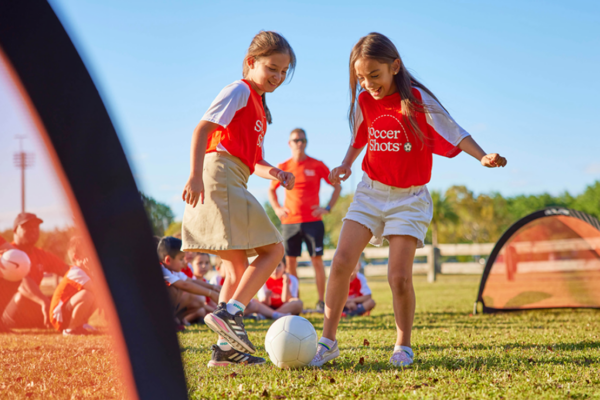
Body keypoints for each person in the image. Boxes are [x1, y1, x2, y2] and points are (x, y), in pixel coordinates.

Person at [310, 32, 507, 368]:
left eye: (375, 75)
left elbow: (454, 130)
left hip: (409, 198)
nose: (369, 84)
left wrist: (482, 156)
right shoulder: (364, 101)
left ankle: (403, 345)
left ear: (394, 67)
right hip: (370, 192)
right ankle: (327, 341)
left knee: (398, 277)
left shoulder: (416, 99)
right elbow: (360, 137)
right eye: (361, 77)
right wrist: (345, 163)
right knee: (341, 261)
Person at [181, 31, 296, 367]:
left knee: (235, 268)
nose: (277, 77)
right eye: (272, 68)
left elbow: (251, 160)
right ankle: (231, 312)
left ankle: (225, 351)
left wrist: (275, 172)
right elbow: (201, 130)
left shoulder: (259, 105)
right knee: (274, 249)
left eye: (283, 72)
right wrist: (194, 175)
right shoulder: (239, 89)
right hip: (220, 176)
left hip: (236, 176)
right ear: (251, 63)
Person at [268, 128, 341, 311]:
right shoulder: (283, 166)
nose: (300, 143)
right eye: (296, 140)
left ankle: (321, 302)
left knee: (317, 260)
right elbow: (271, 190)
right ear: (289, 143)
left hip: (313, 221)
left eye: (303, 140)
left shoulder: (317, 165)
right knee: (290, 262)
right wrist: (277, 209)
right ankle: (296, 301)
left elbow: (337, 186)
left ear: (306, 142)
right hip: (290, 222)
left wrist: (327, 208)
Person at [2, 213, 69, 329]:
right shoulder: (9, 255)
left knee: (67, 299)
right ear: (15, 230)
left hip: (34, 306)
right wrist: (44, 301)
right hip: (9, 309)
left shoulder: (41, 254)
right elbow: (21, 282)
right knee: (22, 298)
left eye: (35, 227)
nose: (32, 230)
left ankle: (66, 321)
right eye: (27, 226)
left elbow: (68, 271)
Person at [158, 237, 219, 325]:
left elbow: (190, 281)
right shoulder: (161, 269)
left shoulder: (174, 270)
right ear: (168, 260)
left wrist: (213, 287)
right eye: (181, 259)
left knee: (198, 299)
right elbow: (185, 285)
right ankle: (165, 321)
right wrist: (210, 293)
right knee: (175, 289)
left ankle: (175, 321)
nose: (184, 261)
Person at [49, 236, 97, 335]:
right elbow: (96, 289)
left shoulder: (84, 271)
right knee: (88, 295)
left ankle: (80, 324)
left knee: (96, 297)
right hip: (58, 316)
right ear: (77, 257)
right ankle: (71, 329)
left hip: (66, 311)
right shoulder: (76, 272)